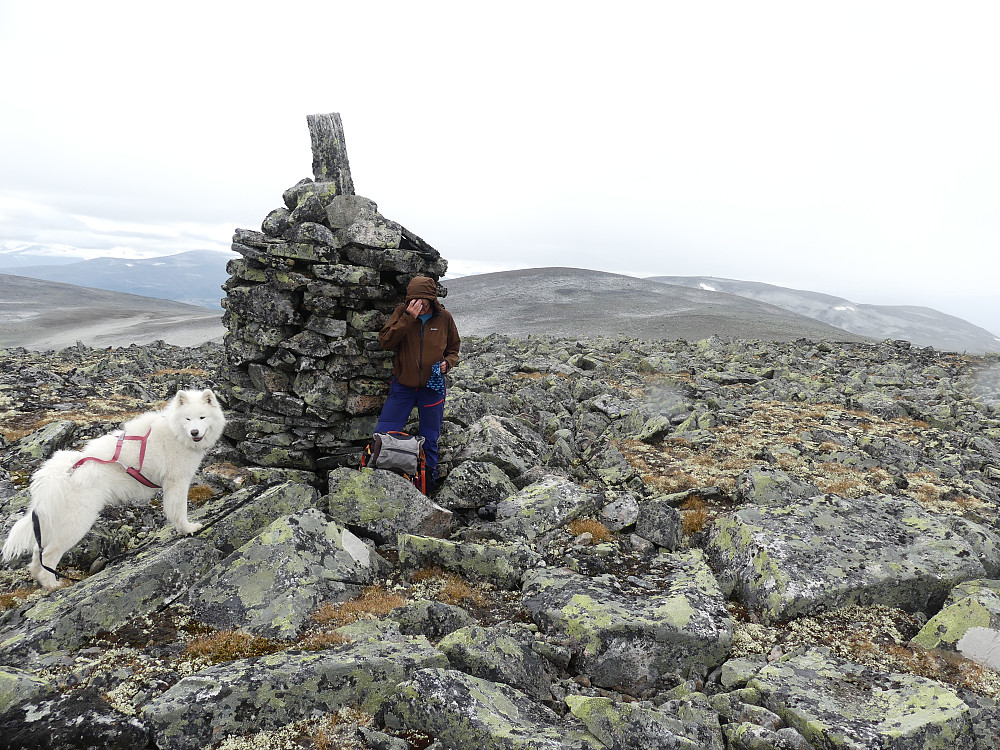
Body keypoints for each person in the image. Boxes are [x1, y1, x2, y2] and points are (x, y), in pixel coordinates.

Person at [374, 275, 460, 486]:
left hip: (432, 388)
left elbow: (454, 349)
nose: (419, 305)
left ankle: (426, 483)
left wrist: (447, 363)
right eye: (414, 300)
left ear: (432, 299)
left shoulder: (444, 318)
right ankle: (380, 481)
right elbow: (385, 342)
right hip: (402, 386)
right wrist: (407, 318)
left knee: (429, 439)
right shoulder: (402, 314)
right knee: (384, 434)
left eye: (423, 300)